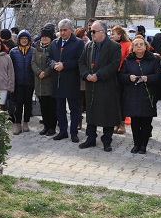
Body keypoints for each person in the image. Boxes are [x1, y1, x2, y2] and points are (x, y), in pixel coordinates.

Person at [78, 21, 122, 151]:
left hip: (106, 85)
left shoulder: (114, 46)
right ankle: (90, 138)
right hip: (91, 85)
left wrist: (99, 75)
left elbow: (114, 65)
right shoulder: (88, 46)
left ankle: (106, 140)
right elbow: (81, 62)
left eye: (93, 31)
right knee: (91, 112)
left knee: (107, 113)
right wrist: (86, 74)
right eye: (90, 31)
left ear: (103, 32)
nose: (91, 34)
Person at [119, 35, 160, 154]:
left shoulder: (153, 59)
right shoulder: (128, 60)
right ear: (132, 47)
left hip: (147, 95)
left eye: (141, 44)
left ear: (146, 46)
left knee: (146, 122)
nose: (139, 46)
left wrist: (148, 78)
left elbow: (159, 76)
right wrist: (128, 77)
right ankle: (136, 144)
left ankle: (143, 145)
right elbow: (121, 76)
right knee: (135, 122)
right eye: (136, 45)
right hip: (132, 95)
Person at [48, 20, 84, 142]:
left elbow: (80, 61)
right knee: (60, 108)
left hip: (71, 80)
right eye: (60, 30)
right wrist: (53, 64)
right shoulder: (54, 43)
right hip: (57, 81)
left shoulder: (78, 43)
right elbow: (49, 58)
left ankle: (74, 132)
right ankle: (63, 131)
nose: (62, 33)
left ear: (71, 30)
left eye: (65, 30)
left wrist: (65, 65)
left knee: (74, 108)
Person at [31, 27, 56, 136]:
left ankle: (52, 127)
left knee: (51, 106)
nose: (44, 38)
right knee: (43, 106)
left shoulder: (53, 48)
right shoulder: (36, 49)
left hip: (49, 81)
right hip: (39, 82)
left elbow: (53, 63)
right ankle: (45, 126)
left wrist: (45, 73)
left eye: (46, 37)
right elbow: (33, 63)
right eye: (42, 36)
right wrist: (38, 72)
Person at [9, 30, 35, 134]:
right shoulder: (13, 51)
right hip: (18, 82)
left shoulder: (33, 51)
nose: (24, 40)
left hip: (29, 81)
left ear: (29, 40)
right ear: (19, 40)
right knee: (18, 103)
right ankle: (18, 123)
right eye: (22, 39)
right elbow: (10, 67)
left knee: (28, 103)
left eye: (26, 39)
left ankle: (26, 122)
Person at [110, 25, 131, 135]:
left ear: (120, 35)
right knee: (114, 100)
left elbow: (129, 60)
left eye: (113, 34)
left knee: (121, 100)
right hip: (112, 75)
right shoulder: (110, 45)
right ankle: (115, 122)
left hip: (122, 75)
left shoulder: (127, 45)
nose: (111, 36)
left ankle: (121, 123)